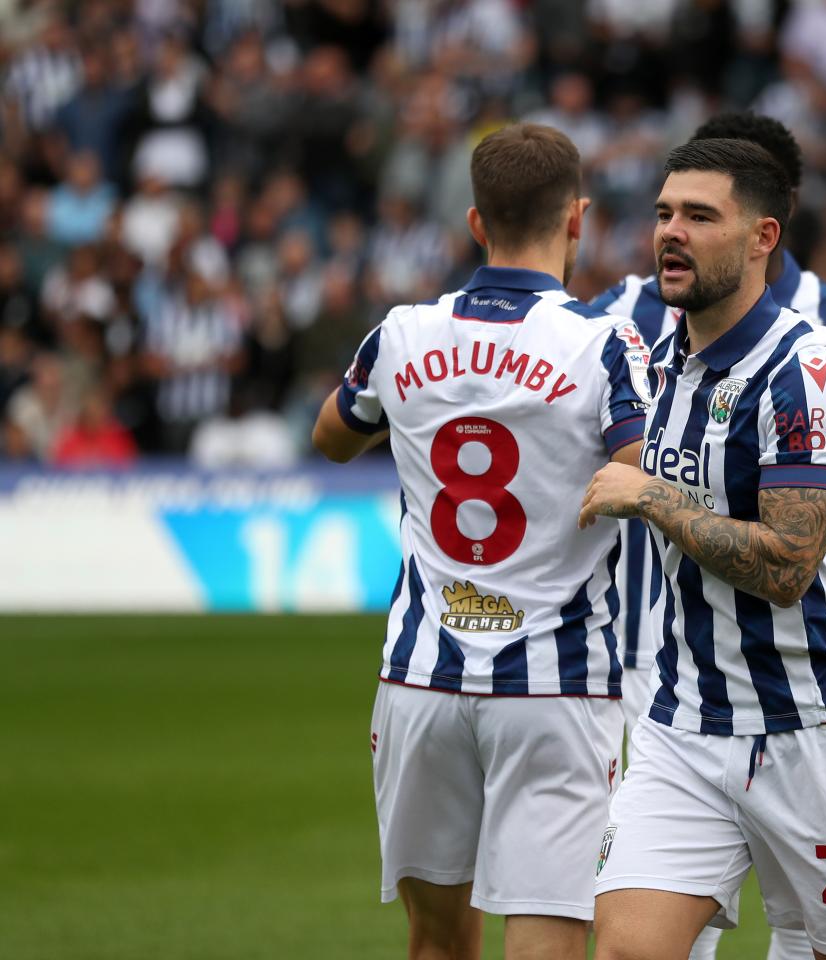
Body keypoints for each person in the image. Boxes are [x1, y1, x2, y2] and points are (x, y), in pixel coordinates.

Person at [590, 112, 826, 960]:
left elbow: (790, 565)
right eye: (662, 215)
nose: (670, 236)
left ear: (765, 233)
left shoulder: (810, 365)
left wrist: (649, 496)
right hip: (680, 720)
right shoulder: (650, 354)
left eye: (697, 217)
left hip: (815, 730)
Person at [312, 123, 650, 960]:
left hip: (422, 678)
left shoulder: (399, 335)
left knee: (436, 942)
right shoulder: (606, 345)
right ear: (578, 220)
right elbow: (647, 482)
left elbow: (331, 436)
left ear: (474, 223)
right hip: (557, 681)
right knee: (547, 935)